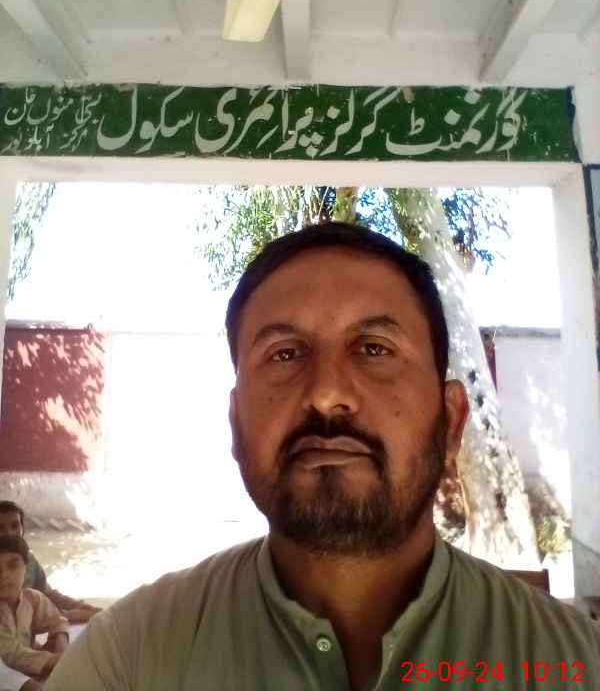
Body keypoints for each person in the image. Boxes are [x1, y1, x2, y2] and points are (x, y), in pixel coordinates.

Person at [46, 222, 600, 690]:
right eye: (285, 354)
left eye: (375, 349)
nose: (326, 392)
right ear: (236, 425)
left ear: (450, 421)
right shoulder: (127, 661)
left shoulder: (576, 664)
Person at [0, 501, 101, 625]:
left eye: (15, 526)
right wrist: (74, 615)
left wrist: (79, 606)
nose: (9, 533)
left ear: (23, 528)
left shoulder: (29, 561)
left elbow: (47, 593)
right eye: (1, 528)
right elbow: (17, 614)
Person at [0, 536, 68, 683]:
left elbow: (58, 621)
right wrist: (55, 660)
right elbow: (11, 655)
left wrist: (59, 642)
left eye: (12, 566)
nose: (4, 575)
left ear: (26, 568)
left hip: (29, 673)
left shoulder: (32, 598)